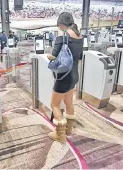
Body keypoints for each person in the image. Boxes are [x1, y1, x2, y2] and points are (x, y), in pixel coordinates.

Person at [48, 12, 83, 143]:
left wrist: (49, 57)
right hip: (74, 75)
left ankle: (60, 134)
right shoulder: (80, 37)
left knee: (54, 104)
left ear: (61, 24)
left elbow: (54, 55)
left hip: (64, 76)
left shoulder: (62, 37)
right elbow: (79, 57)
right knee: (69, 102)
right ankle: (69, 129)